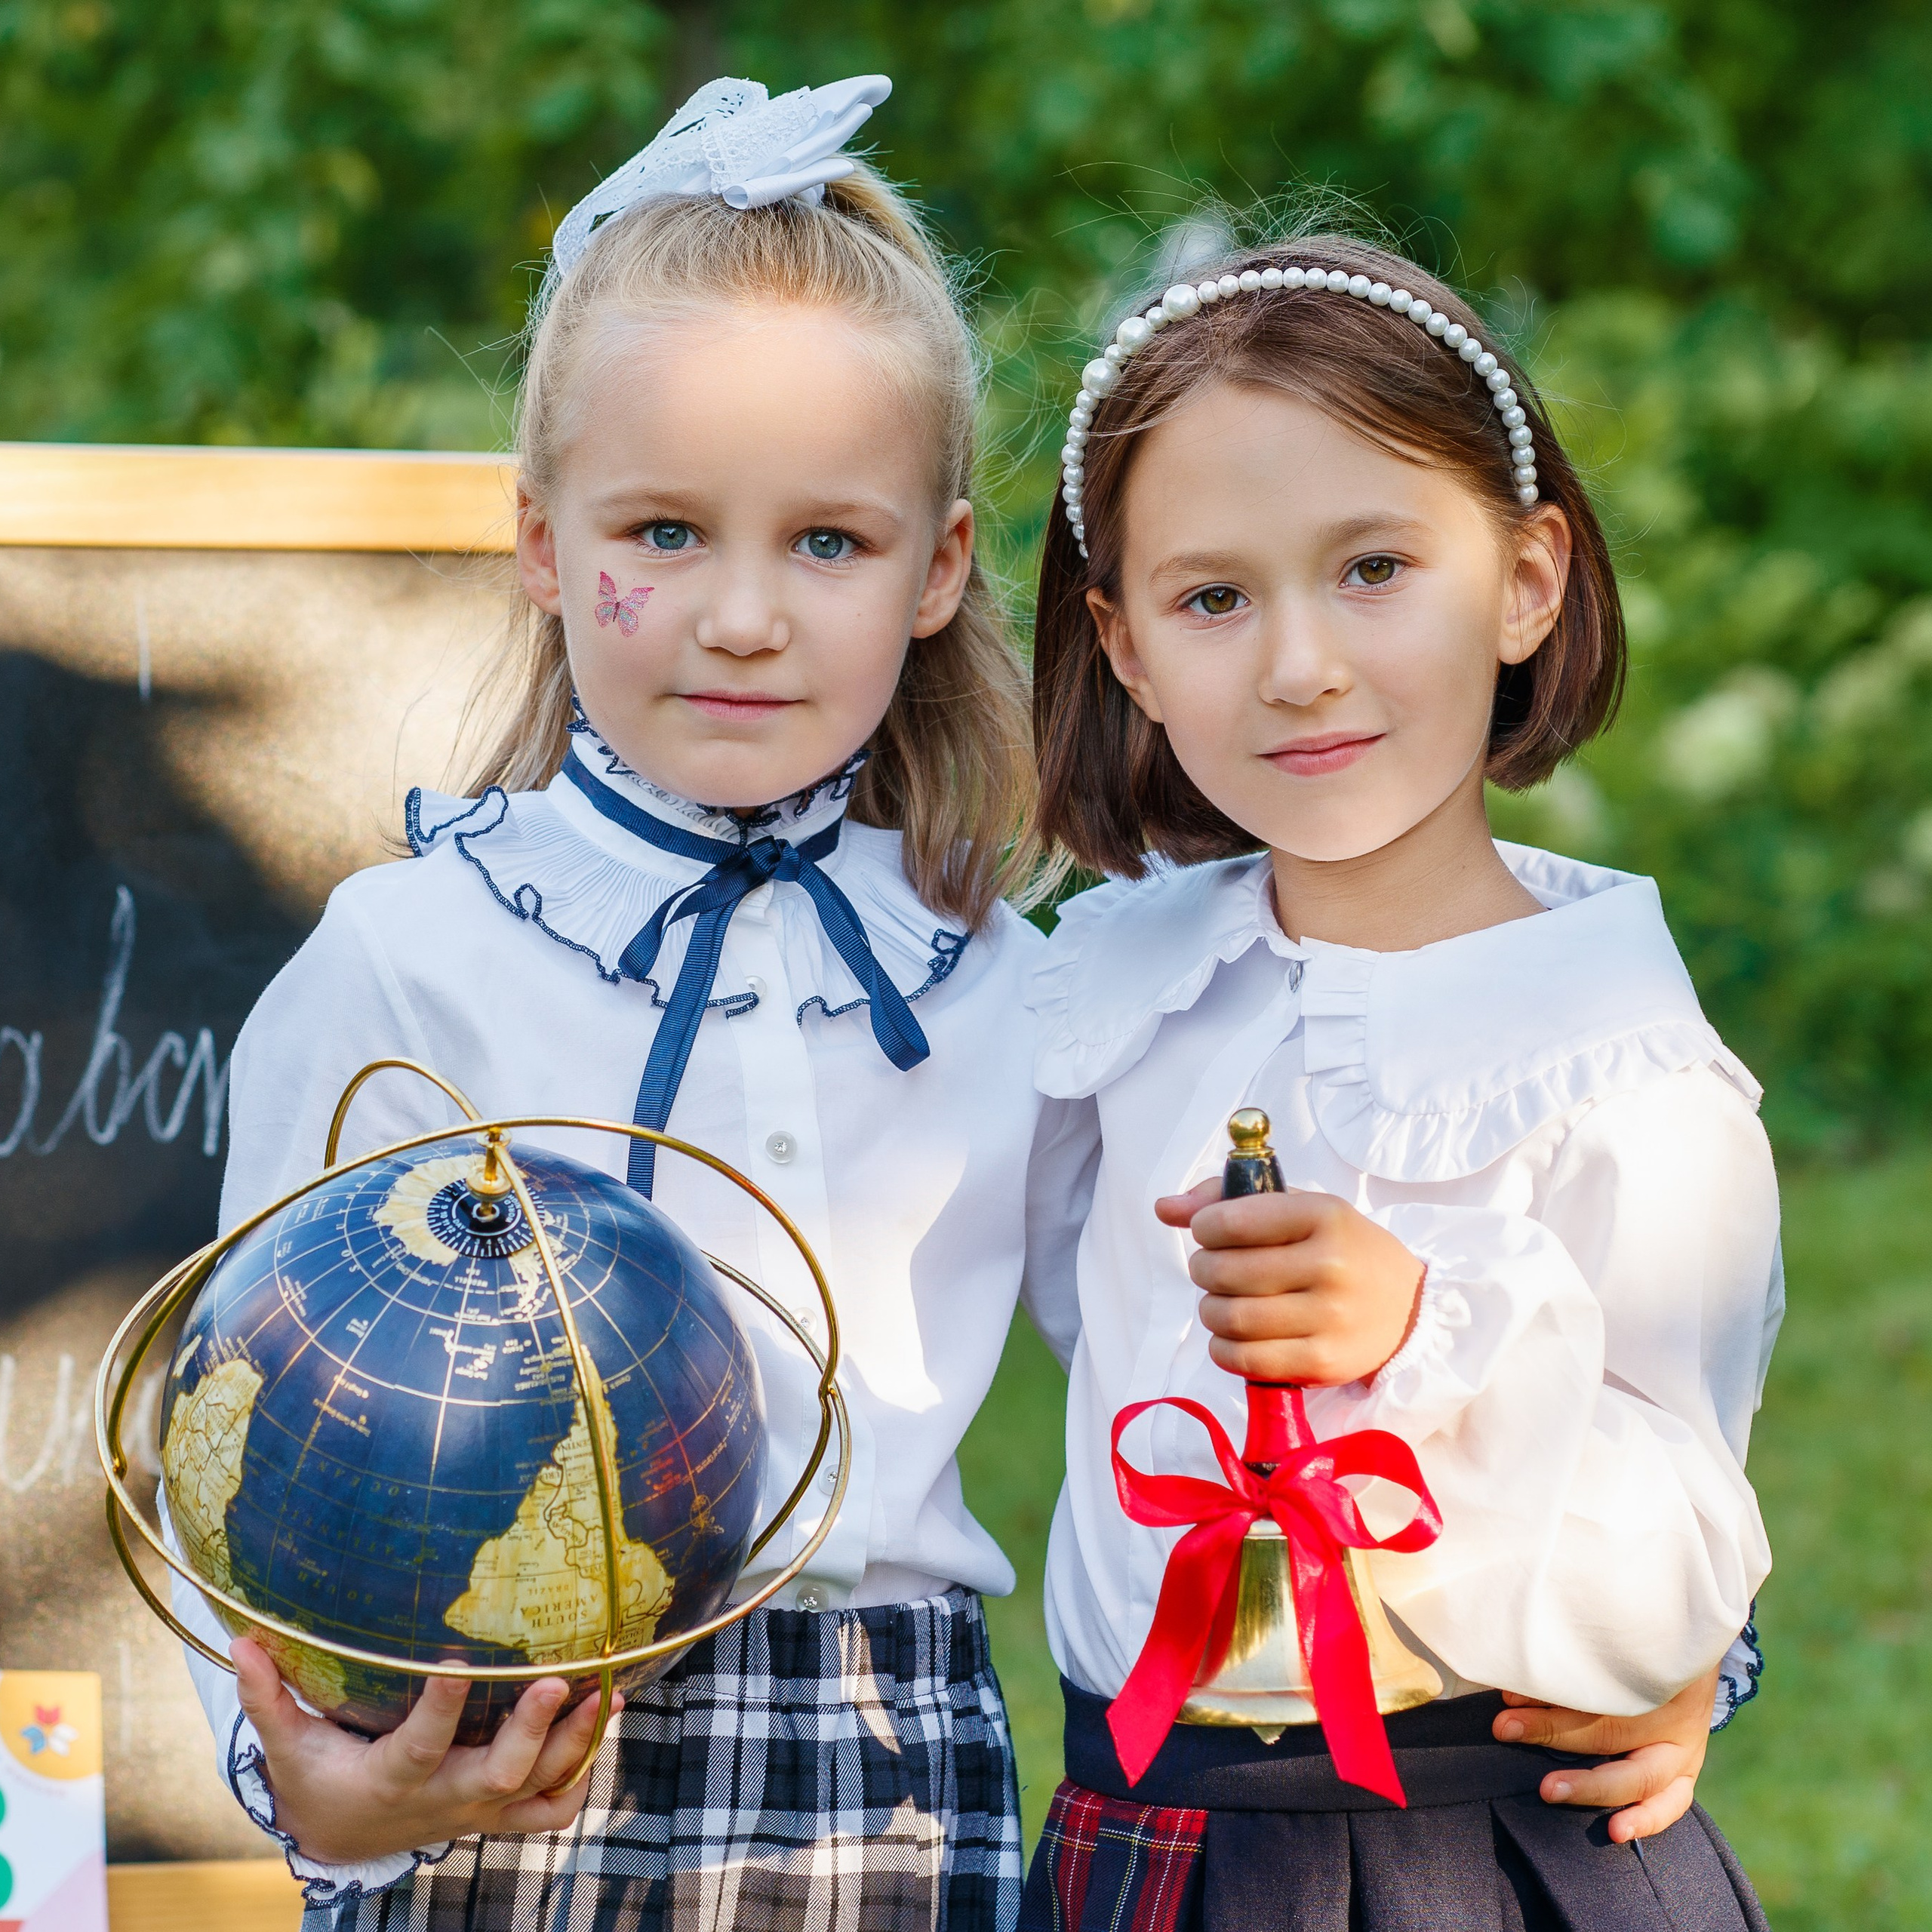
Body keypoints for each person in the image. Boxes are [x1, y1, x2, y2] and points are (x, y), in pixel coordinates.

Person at [167, 74, 1094, 1932]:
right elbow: (239, 1406)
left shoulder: (994, 973)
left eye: (824, 542)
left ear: (937, 569)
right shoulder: (410, 952)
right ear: (535, 540)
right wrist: (313, 1779)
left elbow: (1169, 1355)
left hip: (885, 1778)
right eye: (662, 530)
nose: (741, 614)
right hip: (489, 1752)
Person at [1017, 233, 1780, 1930]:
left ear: (1523, 578)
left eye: (1372, 565)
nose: (1297, 662)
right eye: (1211, 596)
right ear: (1124, 645)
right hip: (1146, 1832)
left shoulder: (1622, 1071)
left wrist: (1427, 1326)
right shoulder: (1099, 996)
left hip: (1484, 1851)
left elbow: (1677, 1546)